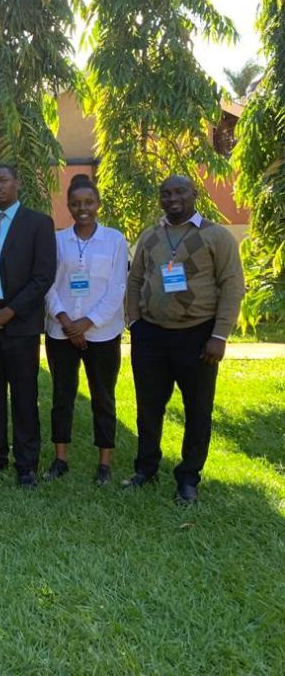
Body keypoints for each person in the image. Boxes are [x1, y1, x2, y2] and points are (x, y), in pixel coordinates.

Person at [123, 175, 245, 504]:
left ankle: (188, 478)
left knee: (197, 410)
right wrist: (134, 322)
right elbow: (134, 280)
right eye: (166, 193)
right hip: (150, 336)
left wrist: (219, 335)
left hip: (198, 336)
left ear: (194, 194)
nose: (172, 198)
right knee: (148, 408)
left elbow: (233, 286)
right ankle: (146, 469)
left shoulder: (216, 235)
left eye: (180, 192)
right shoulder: (150, 236)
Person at [0, 165, 56, 488]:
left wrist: (10, 312)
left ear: (17, 183)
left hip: (20, 324)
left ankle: (26, 465)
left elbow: (43, 277)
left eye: (3, 181)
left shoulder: (39, 224)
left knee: (23, 395)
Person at [43, 175, 128, 485]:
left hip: (102, 333)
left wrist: (87, 322)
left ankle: (104, 462)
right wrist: (66, 320)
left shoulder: (115, 240)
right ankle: (60, 458)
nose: (83, 208)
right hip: (60, 331)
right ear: (68, 206)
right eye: (76, 204)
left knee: (103, 397)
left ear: (98, 204)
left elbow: (117, 287)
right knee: (62, 396)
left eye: (89, 203)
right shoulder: (58, 240)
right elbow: (48, 283)